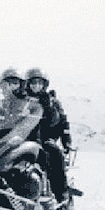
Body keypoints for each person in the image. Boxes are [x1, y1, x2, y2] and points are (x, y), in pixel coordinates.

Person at [23, 67, 72, 201]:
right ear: (28, 84)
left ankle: (61, 192)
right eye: (33, 83)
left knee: (54, 154)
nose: (36, 86)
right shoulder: (22, 100)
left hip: (44, 138)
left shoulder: (51, 101)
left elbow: (58, 121)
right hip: (22, 138)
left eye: (40, 83)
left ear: (45, 85)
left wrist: (48, 107)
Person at [0, 67, 43, 149]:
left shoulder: (33, 106)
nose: (8, 87)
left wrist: (4, 139)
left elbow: (25, 127)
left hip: (25, 143)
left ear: (21, 86)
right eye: (5, 83)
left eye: (14, 83)